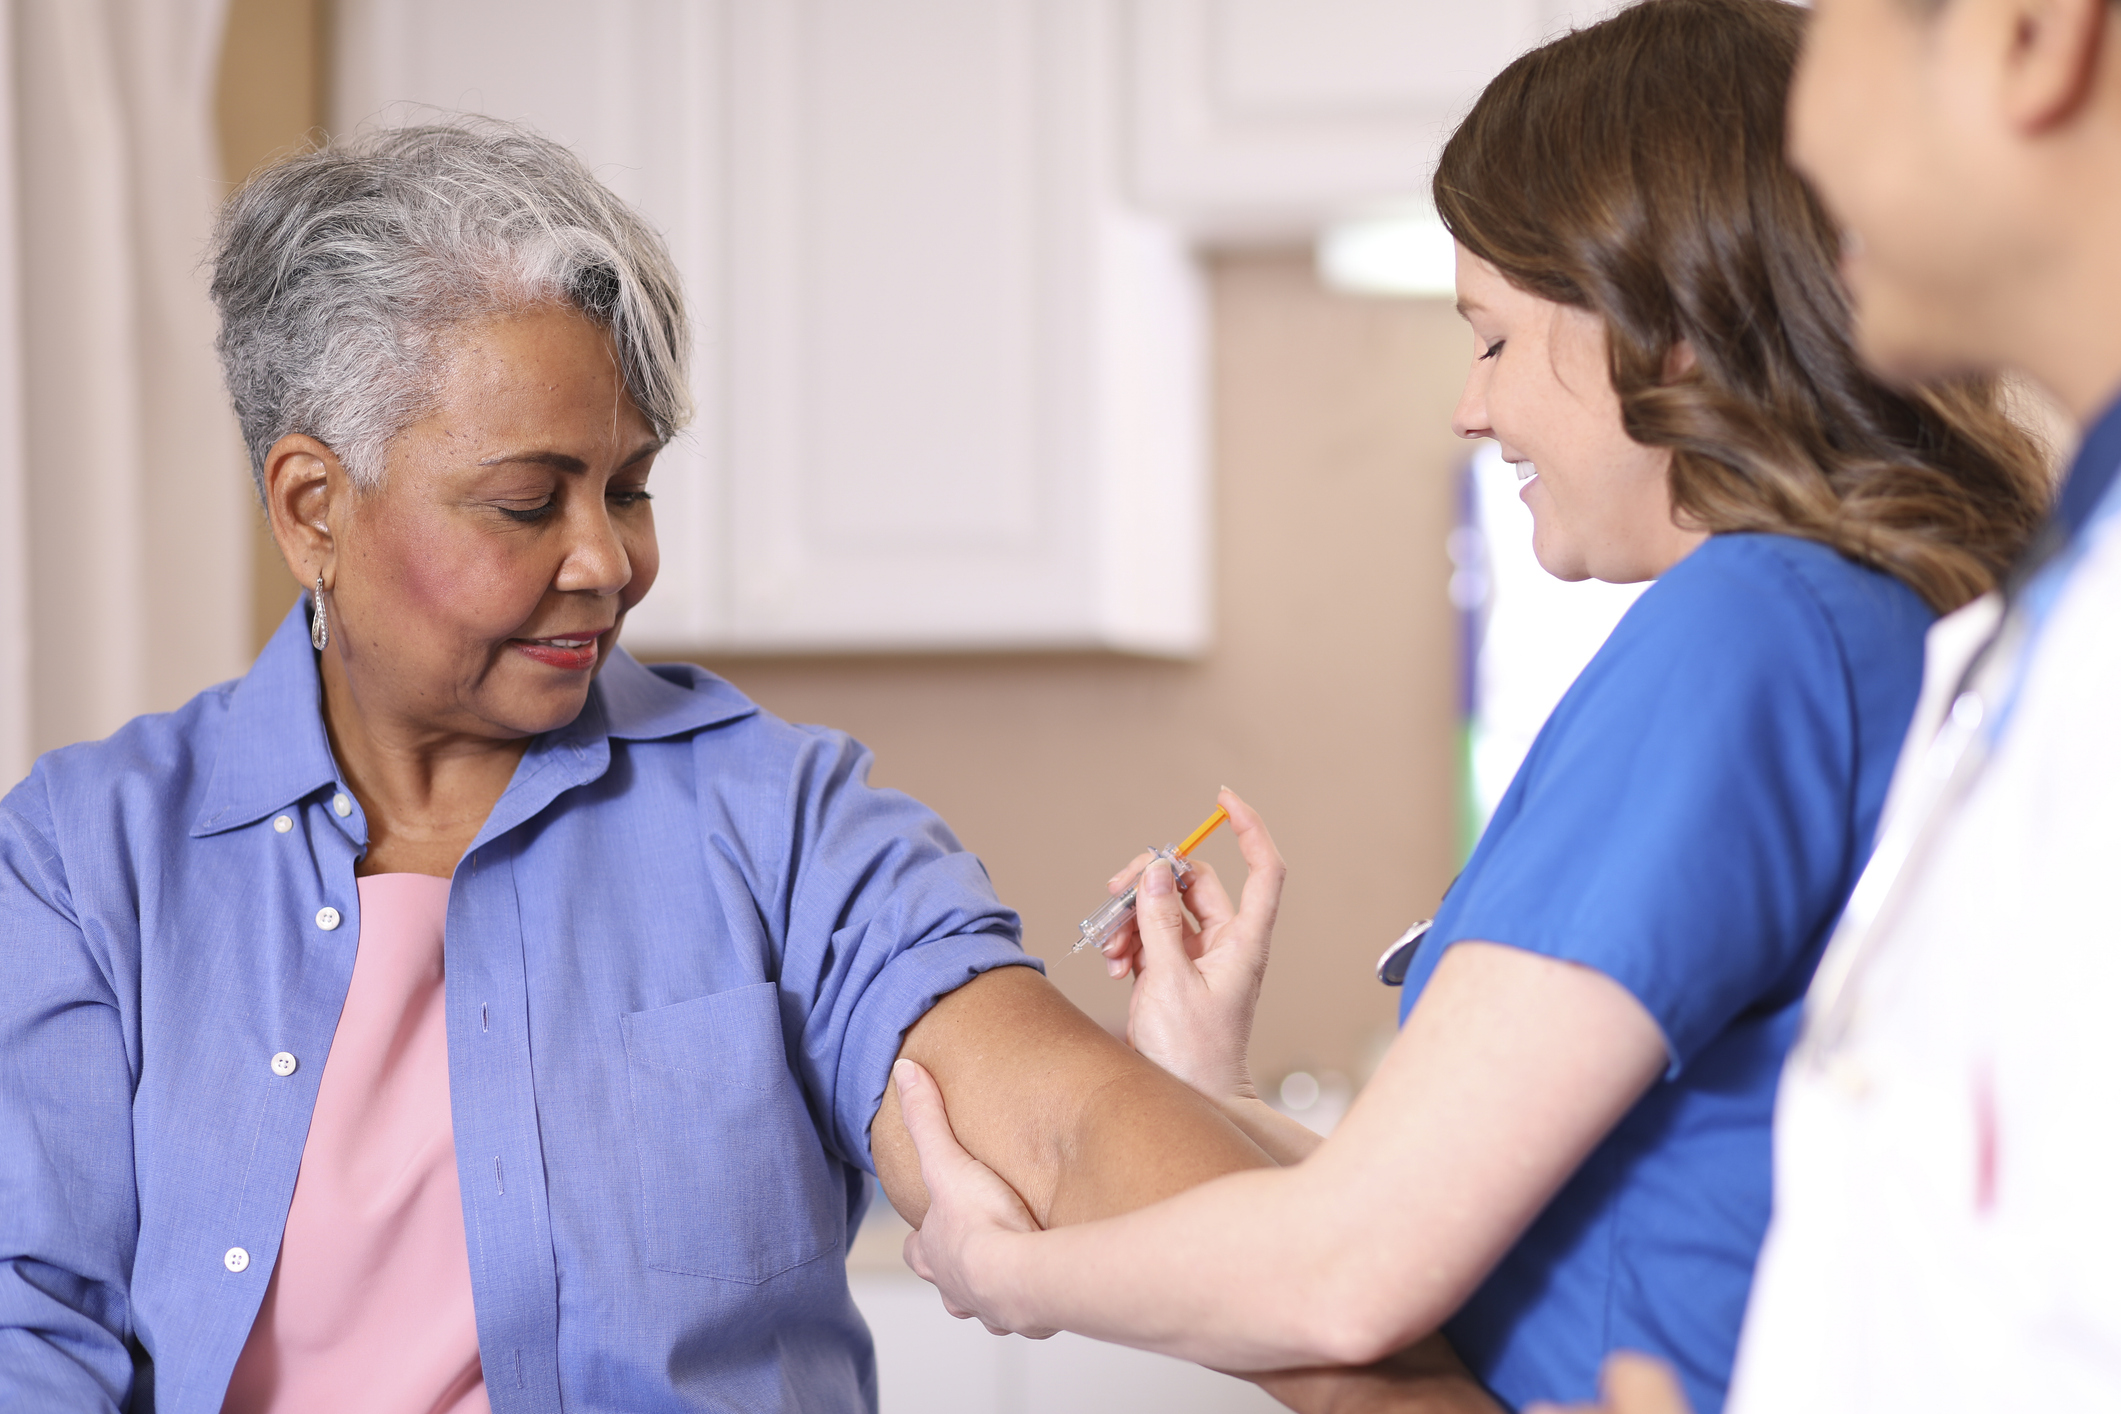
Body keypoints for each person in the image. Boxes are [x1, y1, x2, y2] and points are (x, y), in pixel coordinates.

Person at [0, 121, 1283, 1413]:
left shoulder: (785, 821)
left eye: (630, 488)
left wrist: (1375, 1377)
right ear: (312, 507)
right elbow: (28, 1330)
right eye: (528, 501)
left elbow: (1051, 1121)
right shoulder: (84, 858)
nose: (607, 561)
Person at [886, 3, 2056, 1412]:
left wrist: (1005, 1269)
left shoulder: (1751, 627)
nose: (1471, 406)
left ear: (1663, 332)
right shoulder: (1875, 622)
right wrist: (1215, 1092)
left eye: (1493, 340)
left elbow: (1355, 1268)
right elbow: (1500, 1226)